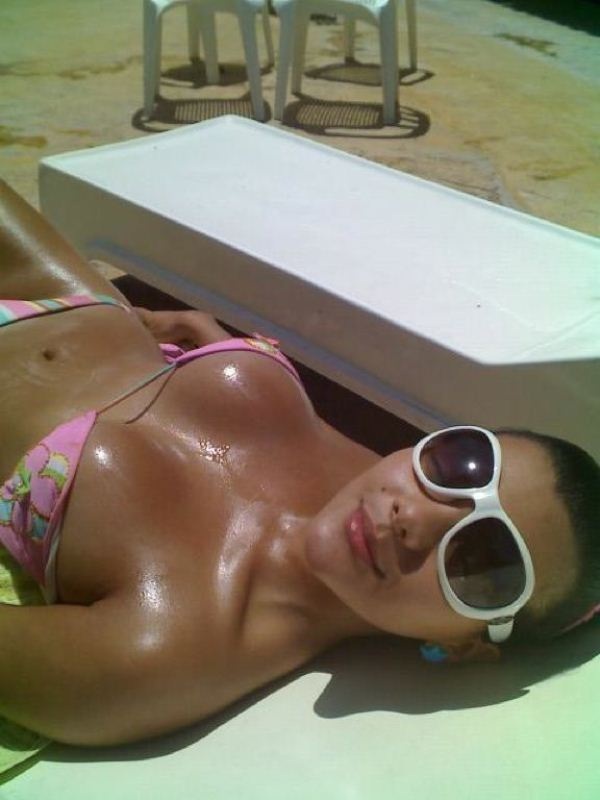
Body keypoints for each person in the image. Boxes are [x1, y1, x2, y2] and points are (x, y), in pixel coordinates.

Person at [0, 179, 598, 747]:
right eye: (462, 465)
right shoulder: (369, 484)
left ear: (468, 646)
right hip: (80, 298)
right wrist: (215, 346)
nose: (416, 516)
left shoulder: (159, 653)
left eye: (480, 560)